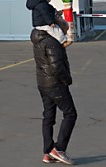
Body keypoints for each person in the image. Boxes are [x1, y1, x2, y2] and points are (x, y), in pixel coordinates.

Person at [31, 22, 77, 165]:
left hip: (43, 82)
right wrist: (67, 80)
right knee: (70, 113)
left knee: (49, 116)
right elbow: (56, 65)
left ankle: (48, 152)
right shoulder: (52, 42)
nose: (66, 24)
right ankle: (59, 149)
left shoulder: (40, 37)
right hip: (54, 83)